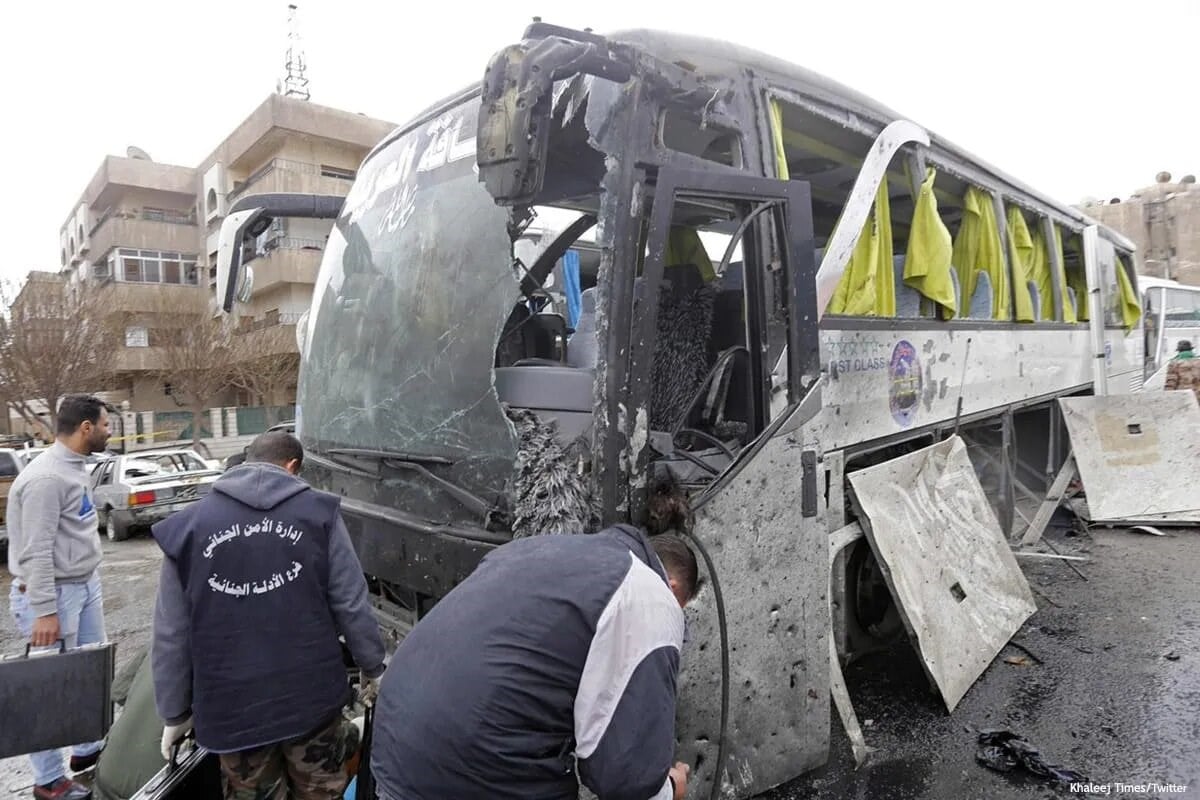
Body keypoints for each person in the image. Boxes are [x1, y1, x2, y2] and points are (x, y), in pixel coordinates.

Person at [371, 524, 698, 800]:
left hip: (395, 739)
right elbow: (622, 776)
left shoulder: (536, 549)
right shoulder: (653, 596)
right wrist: (670, 787)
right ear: (672, 588)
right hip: (474, 758)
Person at [150, 430, 386, 799]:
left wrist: (175, 713)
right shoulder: (318, 514)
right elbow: (351, 603)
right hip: (311, 702)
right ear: (292, 467)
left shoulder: (189, 528)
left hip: (232, 711)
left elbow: (171, 634)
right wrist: (373, 667)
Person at [7, 394, 112, 800]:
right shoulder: (46, 479)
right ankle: (47, 780)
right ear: (86, 427)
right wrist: (46, 611)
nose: (108, 431)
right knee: (49, 689)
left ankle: (87, 753)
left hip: (84, 584)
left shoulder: (74, 468)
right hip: (54, 596)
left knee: (88, 676)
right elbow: (36, 551)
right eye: (105, 425)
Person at [1164, 339, 1200, 404]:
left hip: (1183, 395)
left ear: (1179, 351)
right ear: (1190, 350)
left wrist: (1167, 397)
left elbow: (1171, 382)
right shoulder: (1198, 361)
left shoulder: (1174, 363)